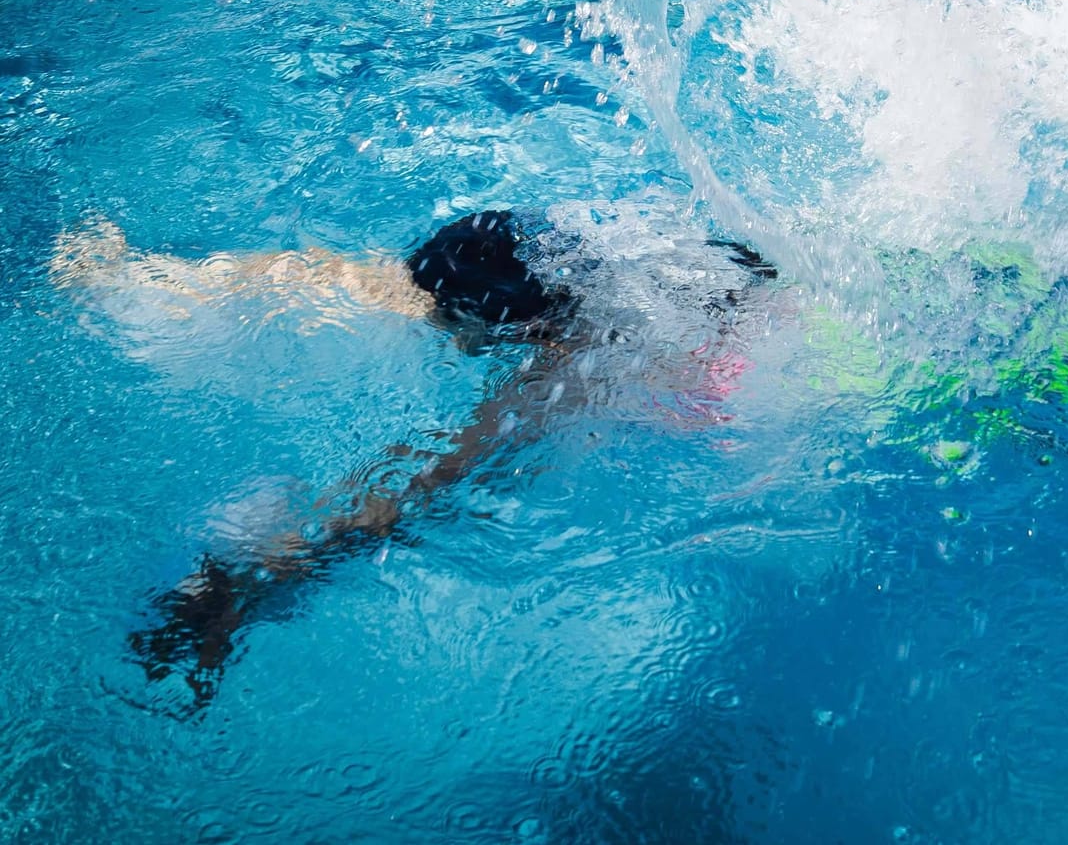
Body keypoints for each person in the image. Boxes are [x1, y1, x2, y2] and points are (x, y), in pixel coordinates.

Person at [52, 208, 777, 710]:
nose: (446, 339)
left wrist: (238, 591)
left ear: (524, 332)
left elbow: (416, 487)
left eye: (455, 327)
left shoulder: (567, 373)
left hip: (752, 394)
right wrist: (145, 277)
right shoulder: (599, 256)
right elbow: (372, 281)